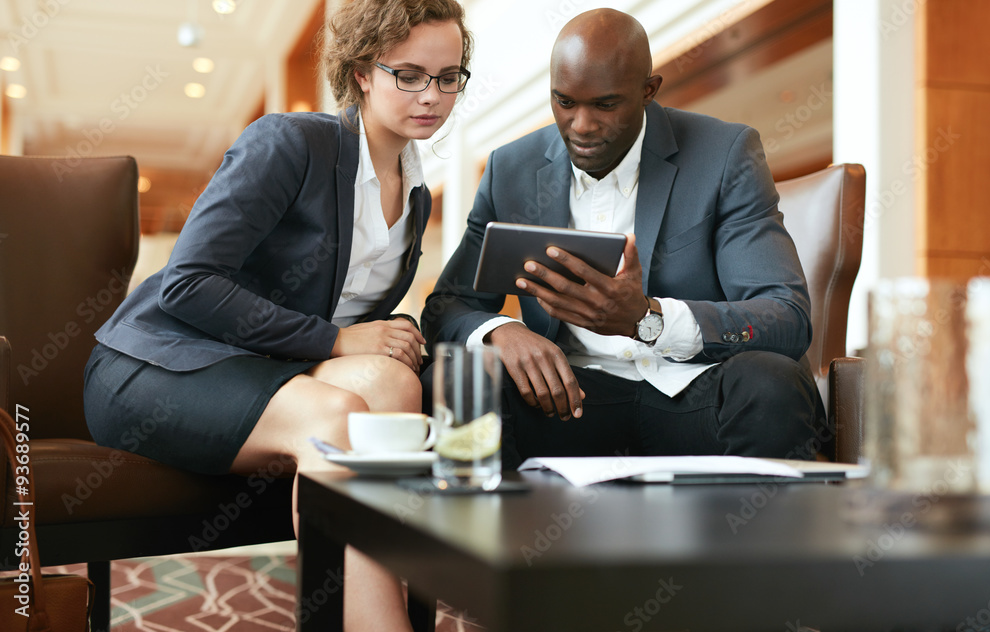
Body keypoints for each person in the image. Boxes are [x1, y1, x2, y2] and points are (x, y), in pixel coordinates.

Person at [83, 0, 472, 629]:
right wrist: (338, 340)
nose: (431, 94)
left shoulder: (416, 190)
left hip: (269, 370)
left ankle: (376, 608)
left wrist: (385, 328)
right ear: (362, 74)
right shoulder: (291, 143)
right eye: (409, 74)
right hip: (159, 363)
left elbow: (336, 298)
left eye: (448, 76)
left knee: (396, 383)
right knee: (340, 415)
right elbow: (188, 284)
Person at [421, 8, 826, 469]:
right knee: (454, 377)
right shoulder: (510, 171)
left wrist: (646, 319)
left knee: (773, 383)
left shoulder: (724, 155)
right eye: (565, 102)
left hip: (694, 391)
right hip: (569, 401)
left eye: (606, 105)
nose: (582, 126)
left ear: (648, 91)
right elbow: (443, 309)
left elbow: (785, 316)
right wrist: (501, 332)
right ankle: (503, 538)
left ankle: (744, 538)